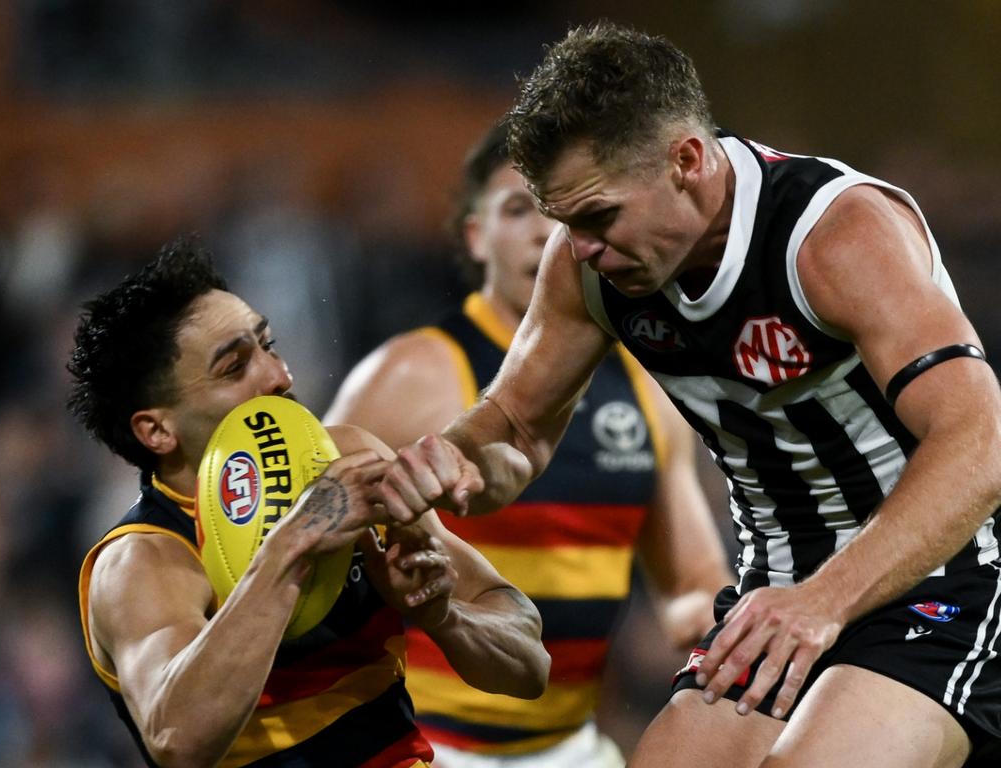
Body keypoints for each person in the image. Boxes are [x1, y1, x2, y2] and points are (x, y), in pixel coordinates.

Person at [373, 21, 1001, 768]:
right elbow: (515, 424)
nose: (579, 250)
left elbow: (981, 442)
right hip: (779, 594)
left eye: (599, 217)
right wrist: (458, 461)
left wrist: (826, 600)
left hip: (945, 583)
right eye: (565, 223)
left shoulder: (834, 235)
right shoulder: (588, 268)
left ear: (688, 161)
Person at [324, 121, 731, 767]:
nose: (546, 233)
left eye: (561, 211)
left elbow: (690, 586)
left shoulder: (647, 386)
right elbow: (313, 552)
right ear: (475, 236)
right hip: (422, 744)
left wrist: (752, 650)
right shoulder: (409, 375)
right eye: (519, 209)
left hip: (570, 748)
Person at [67, 237, 550, 768]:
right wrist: (293, 542)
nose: (280, 376)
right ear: (157, 429)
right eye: (234, 368)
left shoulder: (351, 460)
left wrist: (443, 616)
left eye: (268, 346)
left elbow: (529, 665)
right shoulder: (142, 562)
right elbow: (179, 739)